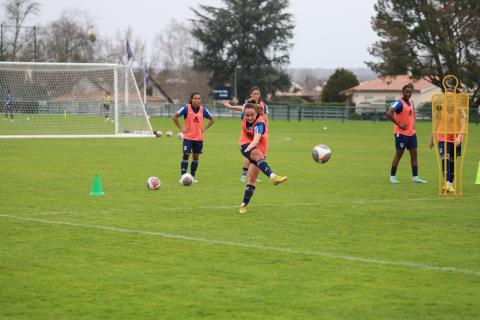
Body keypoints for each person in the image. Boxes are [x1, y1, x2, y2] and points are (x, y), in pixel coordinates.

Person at [238, 102, 287, 214]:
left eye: (252, 115)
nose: (249, 117)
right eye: (247, 115)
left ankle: (244, 204)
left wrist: (251, 145)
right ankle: (273, 177)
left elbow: (256, 139)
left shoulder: (260, 124)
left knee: (252, 179)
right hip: (245, 145)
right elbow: (242, 109)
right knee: (258, 155)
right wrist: (231, 107)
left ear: (257, 113)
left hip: (257, 147)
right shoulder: (244, 115)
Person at [224, 86, 269, 182]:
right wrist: (231, 107)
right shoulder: (248, 105)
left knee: (259, 156)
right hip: (249, 132)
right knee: (250, 154)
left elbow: (265, 118)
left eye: (258, 94)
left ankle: (252, 176)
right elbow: (242, 108)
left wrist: (265, 130)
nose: (256, 95)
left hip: (258, 131)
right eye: (254, 94)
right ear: (251, 94)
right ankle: (244, 175)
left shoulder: (263, 105)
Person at [386, 83, 427, 184]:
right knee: (399, 153)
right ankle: (392, 176)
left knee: (414, 154)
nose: (408, 94)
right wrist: (399, 124)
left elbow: (412, 115)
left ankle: (415, 178)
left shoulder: (411, 102)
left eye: (410, 92)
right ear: (403, 92)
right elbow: (389, 113)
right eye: (406, 92)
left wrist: (413, 126)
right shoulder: (398, 103)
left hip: (411, 133)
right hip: (401, 133)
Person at [429, 87, 466, 192]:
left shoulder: (459, 108)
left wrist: (459, 136)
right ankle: (446, 184)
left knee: (452, 162)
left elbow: (464, 124)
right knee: (444, 159)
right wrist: (431, 138)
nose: (449, 98)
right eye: (447, 96)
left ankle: (450, 184)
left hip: (455, 139)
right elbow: (435, 123)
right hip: (442, 137)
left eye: (451, 96)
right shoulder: (439, 107)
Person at [172, 92, 215, 183]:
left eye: (199, 98)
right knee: (186, 155)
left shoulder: (203, 110)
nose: (197, 100)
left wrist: (204, 129)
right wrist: (181, 128)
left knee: (195, 157)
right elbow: (175, 117)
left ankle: (192, 177)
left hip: (199, 138)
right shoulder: (186, 108)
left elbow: (212, 119)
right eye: (195, 98)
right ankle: (183, 176)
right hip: (188, 138)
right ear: (191, 99)